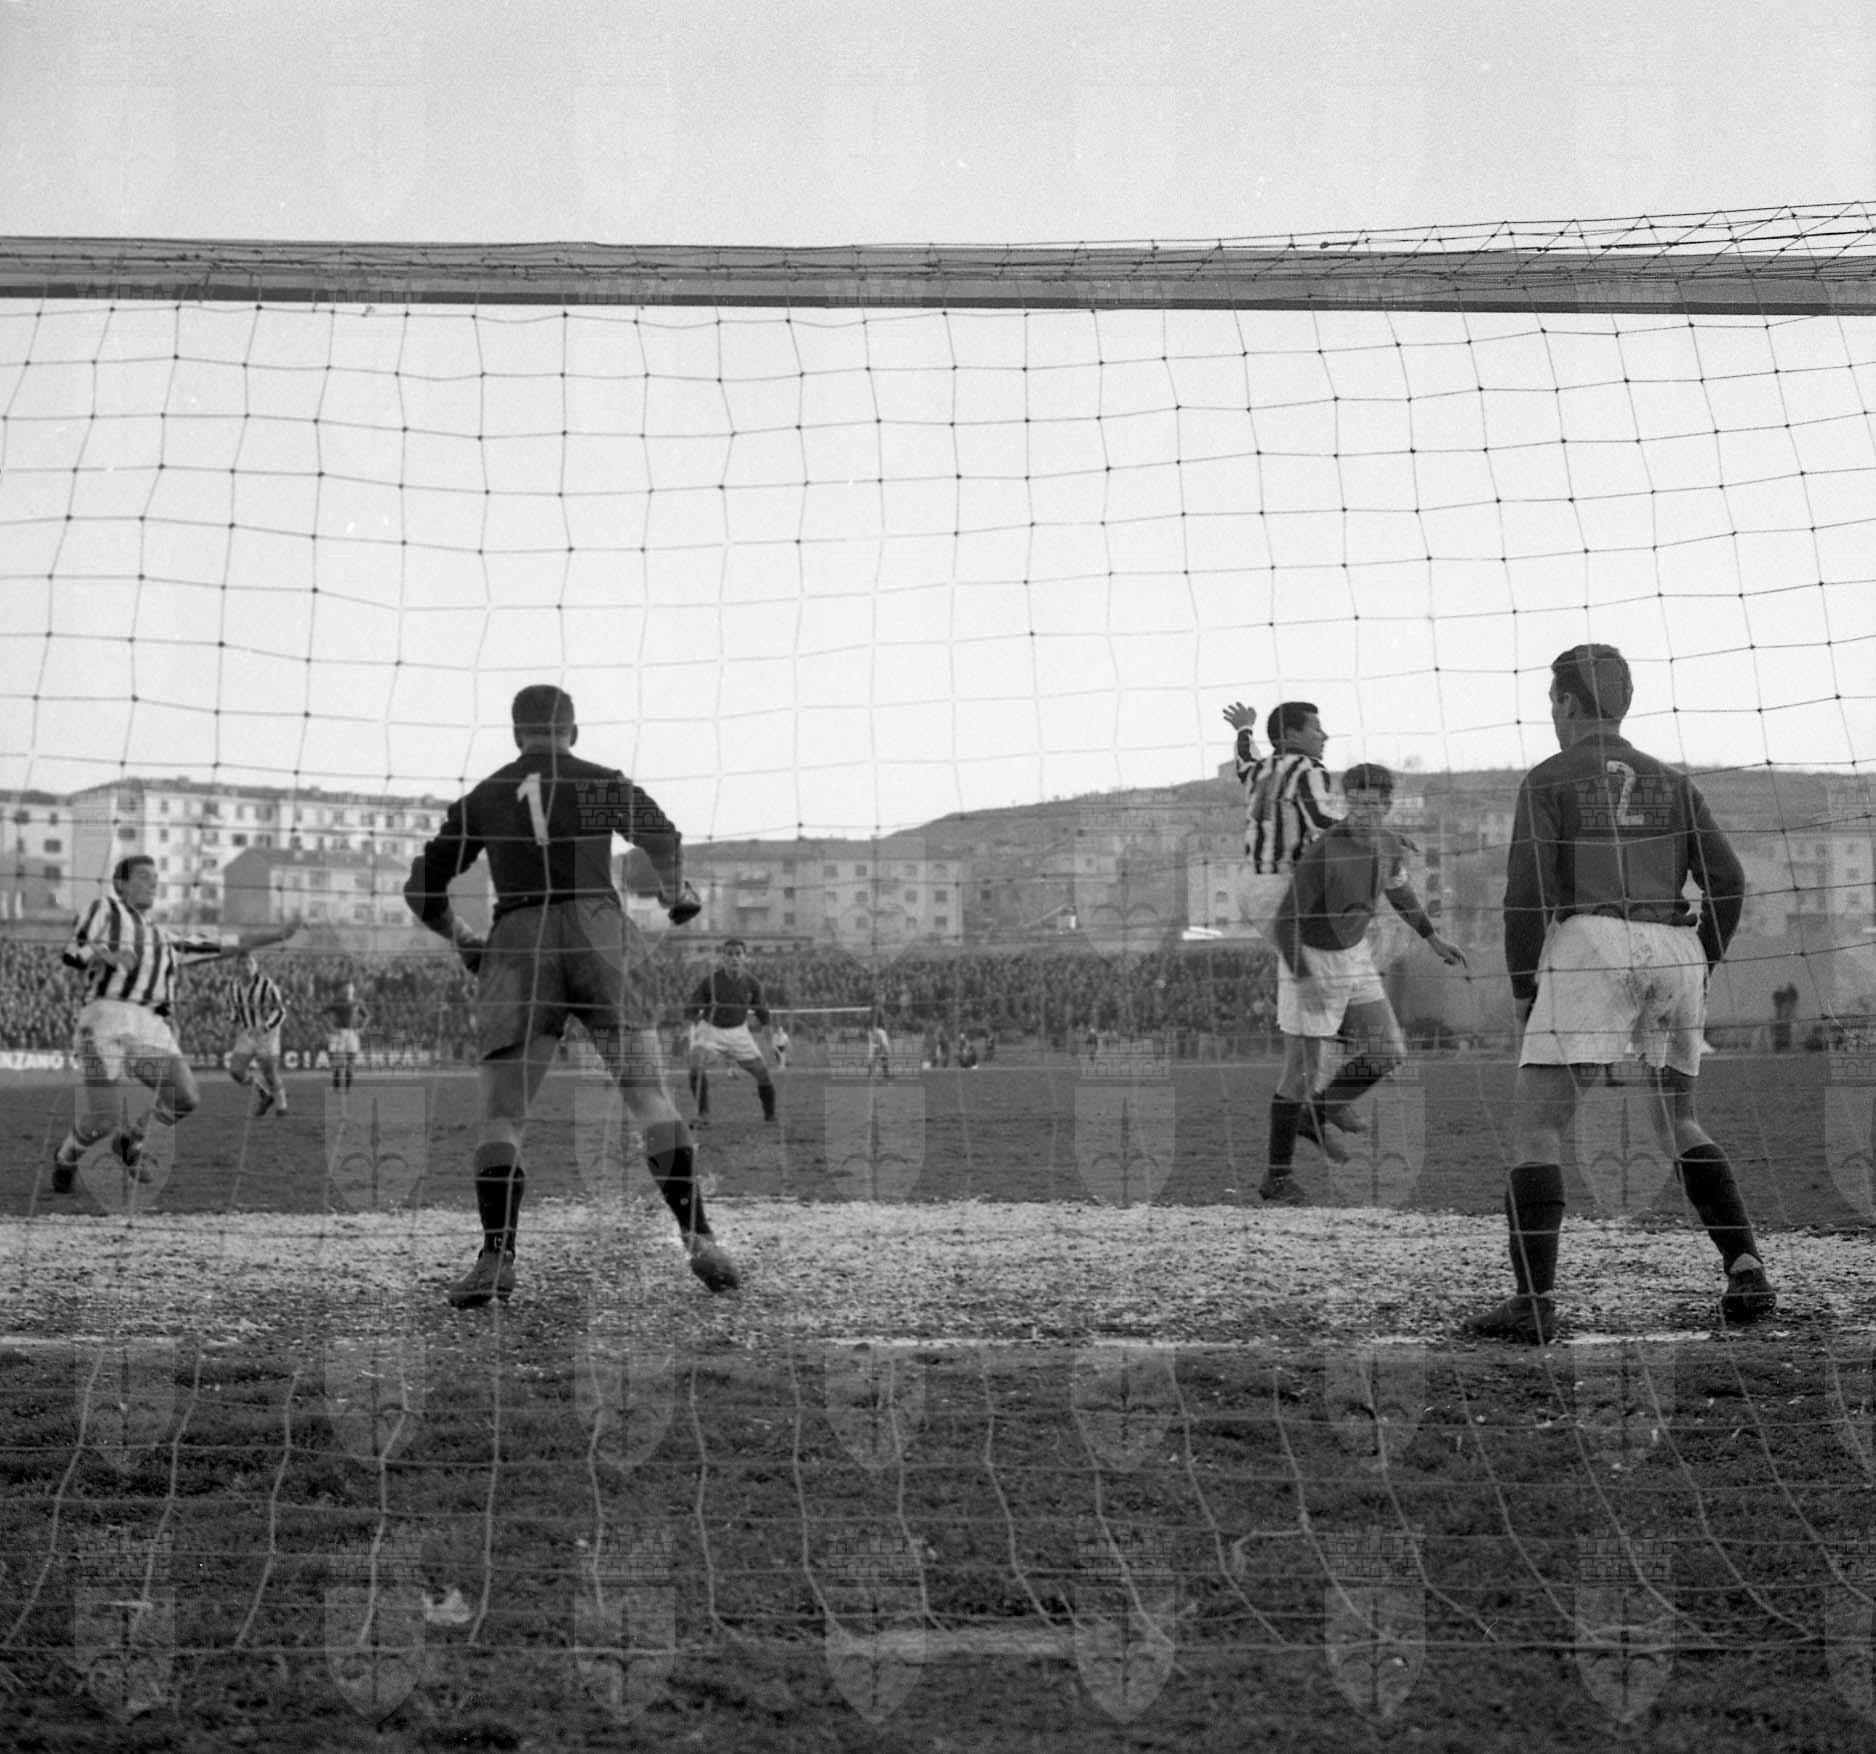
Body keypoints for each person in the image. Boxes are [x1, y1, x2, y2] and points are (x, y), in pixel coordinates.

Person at [1466, 643, 1775, 1343]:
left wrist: (1522, 986)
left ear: (1567, 703)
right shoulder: (1674, 781)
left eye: (1553, 701)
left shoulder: (1549, 778)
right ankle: (1747, 1268)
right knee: (1679, 1119)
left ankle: (1534, 1301)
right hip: (1675, 947)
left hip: (1592, 944)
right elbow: (1728, 880)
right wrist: (1705, 956)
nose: (1553, 713)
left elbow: (1525, 895)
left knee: (1538, 1125)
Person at [404, 683, 733, 1308]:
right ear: (572, 731)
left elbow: (422, 888)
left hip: (519, 939)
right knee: (648, 1096)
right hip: (599, 933)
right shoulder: (597, 781)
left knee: (504, 1114)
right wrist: (673, 891)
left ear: (516, 734)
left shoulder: (487, 794)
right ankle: (701, 1240)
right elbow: (661, 837)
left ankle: (496, 1258)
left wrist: (466, 940)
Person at [1260, 764, 1468, 1204]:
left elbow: (1398, 890)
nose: (1364, 812)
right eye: (1357, 803)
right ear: (1346, 802)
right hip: (1310, 958)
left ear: (1388, 806)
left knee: (1388, 1052)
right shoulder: (1324, 853)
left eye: (1374, 804)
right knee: (1300, 1074)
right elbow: (1284, 924)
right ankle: (1276, 1178)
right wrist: (1304, 978)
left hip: (1354, 956)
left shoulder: (1389, 844)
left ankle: (1316, 1114)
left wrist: (1432, 938)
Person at [50, 855, 293, 1195]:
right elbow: (75, 950)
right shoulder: (106, 909)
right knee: (102, 1118)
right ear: (121, 884)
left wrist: (277, 935)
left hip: (149, 1025)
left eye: (155, 876)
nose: (153, 882)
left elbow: (226, 944)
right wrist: (109, 956)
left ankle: (130, 1140)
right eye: (143, 876)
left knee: (185, 1096)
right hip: (104, 1019)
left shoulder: (166, 939)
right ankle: (66, 1158)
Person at [684, 938, 777, 1126]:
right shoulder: (710, 981)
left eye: (738, 954)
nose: (734, 958)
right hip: (711, 1030)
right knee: (695, 1065)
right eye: (730, 954)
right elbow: (691, 1009)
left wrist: (770, 1041)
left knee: (763, 1074)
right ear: (723, 958)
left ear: (745, 957)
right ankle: (703, 1115)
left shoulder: (752, 983)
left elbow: (763, 1014)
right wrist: (691, 1029)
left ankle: (771, 1116)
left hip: (739, 1032)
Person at [228, 949, 290, 1117]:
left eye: (250, 963)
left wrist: (264, 1027)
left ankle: (282, 1108)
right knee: (236, 1071)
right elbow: (234, 1010)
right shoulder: (233, 986)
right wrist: (232, 1025)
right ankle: (264, 1094)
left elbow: (281, 1011)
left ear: (256, 966)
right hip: (247, 1033)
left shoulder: (267, 984)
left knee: (269, 1072)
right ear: (237, 967)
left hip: (267, 1034)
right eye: (242, 963)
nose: (246, 967)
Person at [322, 980, 371, 1106]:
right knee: (338, 1063)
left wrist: (362, 1029)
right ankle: (336, 1088)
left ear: (353, 990)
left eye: (351, 987)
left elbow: (367, 1016)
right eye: (346, 987)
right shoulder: (337, 1002)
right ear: (343, 990)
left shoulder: (357, 1002)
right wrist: (330, 1027)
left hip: (352, 1033)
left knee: (351, 1062)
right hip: (339, 1033)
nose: (349, 990)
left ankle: (348, 1089)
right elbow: (323, 1014)